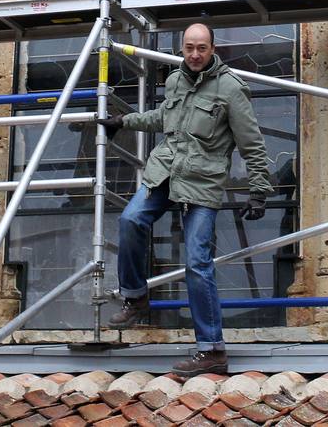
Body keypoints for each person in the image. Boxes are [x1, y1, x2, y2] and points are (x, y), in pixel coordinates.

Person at [97, 22, 272, 376]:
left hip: (202, 184)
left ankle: (211, 350)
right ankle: (135, 296)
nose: (194, 54)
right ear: (182, 48)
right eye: (189, 48)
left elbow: (251, 142)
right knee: (130, 220)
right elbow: (164, 118)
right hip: (164, 171)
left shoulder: (231, 89)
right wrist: (124, 121)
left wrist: (259, 189)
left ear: (212, 48)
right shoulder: (176, 80)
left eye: (201, 48)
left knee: (197, 262)